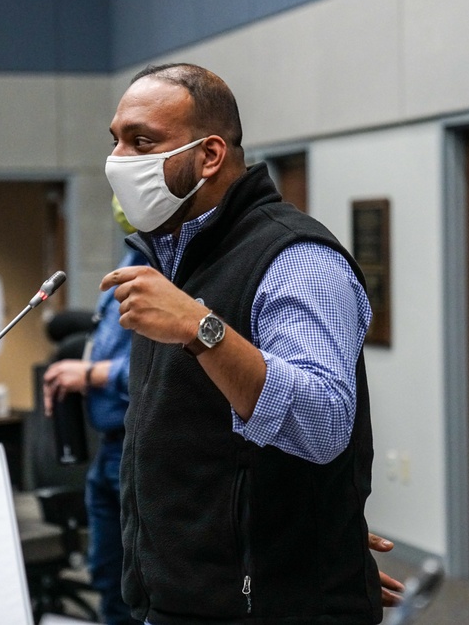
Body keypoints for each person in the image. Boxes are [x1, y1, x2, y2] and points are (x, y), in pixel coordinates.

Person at [103, 63, 383, 624]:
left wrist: (200, 329)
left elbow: (324, 423)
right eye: (115, 141)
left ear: (209, 155)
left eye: (142, 142)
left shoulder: (295, 259)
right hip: (191, 600)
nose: (119, 161)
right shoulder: (177, 257)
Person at [43, 196, 146, 625]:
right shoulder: (134, 253)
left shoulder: (172, 267)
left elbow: (171, 364)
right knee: (107, 577)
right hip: (109, 448)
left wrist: (90, 375)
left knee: (140, 588)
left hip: (143, 446)